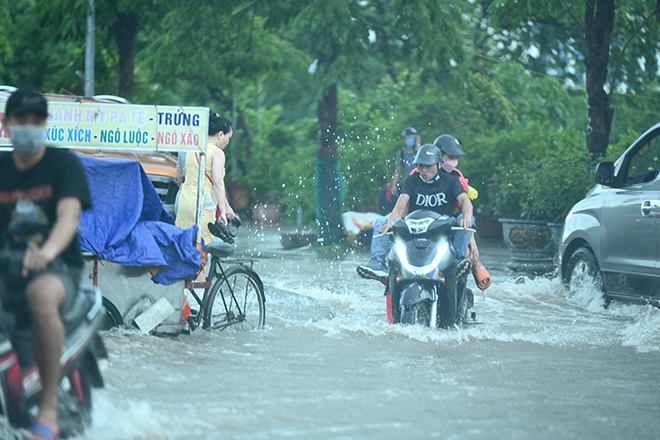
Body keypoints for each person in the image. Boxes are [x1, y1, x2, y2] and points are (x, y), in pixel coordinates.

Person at [0, 88, 92, 440]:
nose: (29, 126)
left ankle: (49, 408)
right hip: (6, 267)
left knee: (40, 295)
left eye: (36, 120)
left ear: (45, 124)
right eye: (21, 120)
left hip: (57, 270)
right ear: (7, 125)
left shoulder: (62, 164)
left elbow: (69, 217)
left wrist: (47, 252)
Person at [359, 143, 473, 280]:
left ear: (440, 165)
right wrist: (390, 222)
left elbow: (466, 202)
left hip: (441, 231)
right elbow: (400, 205)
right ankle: (377, 262)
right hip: (414, 230)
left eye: (428, 166)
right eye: (420, 165)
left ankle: (458, 261)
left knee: (470, 219)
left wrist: (466, 218)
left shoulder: (451, 181)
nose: (424, 170)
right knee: (381, 221)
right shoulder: (411, 181)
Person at [175, 113, 234, 244]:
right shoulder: (217, 153)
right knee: (202, 244)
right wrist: (223, 212)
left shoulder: (193, 149)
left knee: (184, 242)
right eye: (228, 137)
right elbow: (218, 183)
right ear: (220, 134)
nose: (228, 142)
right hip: (203, 204)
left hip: (185, 201)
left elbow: (182, 175)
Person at [378, 126, 420, 214]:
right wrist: (394, 185)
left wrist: (418, 145)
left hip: (420, 182)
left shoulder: (419, 152)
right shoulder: (402, 154)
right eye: (408, 137)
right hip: (407, 183)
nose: (410, 139)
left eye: (412, 137)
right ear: (404, 139)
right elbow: (398, 170)